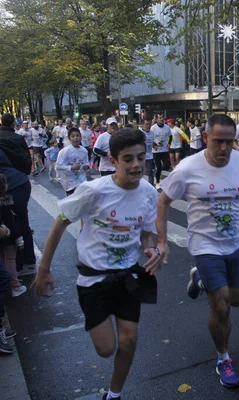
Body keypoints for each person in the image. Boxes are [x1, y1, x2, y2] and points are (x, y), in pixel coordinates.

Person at [32, 128, 162, 400]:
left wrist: (150, 249)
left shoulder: (149, 192)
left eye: (141, 157)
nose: (137, 164)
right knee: (106, 349)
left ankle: (114, 395)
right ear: (113, 161)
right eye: (128, 159)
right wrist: (44, 270)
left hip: (127, 277)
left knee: (129, 340)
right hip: (92, 280)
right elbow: (60, 221)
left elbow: (146, 235)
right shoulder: (93, 191)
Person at [156, 114, 239, 389]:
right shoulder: (187, 168)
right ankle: (224, 357)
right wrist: (161, 241)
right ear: (206, 138)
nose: (225, 148)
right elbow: (163, 200)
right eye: (218, 141)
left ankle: (200, 278)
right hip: (205, 245)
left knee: (236, 300)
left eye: (230, 142)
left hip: (235, 243)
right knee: (221, 305)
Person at [0, 113, 36, 274]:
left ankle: (16, 265)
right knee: (22, 221)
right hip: (21, 182)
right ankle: (28, 261)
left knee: (7, 223)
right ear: (13, 123)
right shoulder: (16, 137)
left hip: (9, 185)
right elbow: (26, 161)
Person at [0, 174, 25, 297]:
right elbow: (11, 222)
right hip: (8, 238)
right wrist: (18, 238)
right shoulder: (5, 203)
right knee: (10, 261)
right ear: (4, 187)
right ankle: (15, 286)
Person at [56, 127, 90, 197]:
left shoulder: (84, 151)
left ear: (80, 137)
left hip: (82, 181)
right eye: (73, 136)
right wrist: (71, 168)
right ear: (69, 138)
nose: (75, 138)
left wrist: (86, 166)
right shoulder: (64, 151)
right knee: (74, 205)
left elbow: (87, 163)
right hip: (69, 183)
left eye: (77, 136)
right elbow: (58, 167)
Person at [151, 114, 171, 190]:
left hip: (164, 149)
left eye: (162, 118)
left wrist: (169, 143)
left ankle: (158, 170)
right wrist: (154, 145)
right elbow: (150, 138)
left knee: (167, 165)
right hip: (156, 151)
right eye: (160, 118)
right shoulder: (153, 128)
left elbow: (170, 136)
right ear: (156, 119)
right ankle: (158, 182)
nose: (162, 119)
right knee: (159, 166)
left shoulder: (167, 127)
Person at [138, 116, 155, 186]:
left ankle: (151, 186)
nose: (148, 126)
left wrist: (155, 145)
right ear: (142, 124)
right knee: (139, 171)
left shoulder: (152, 132)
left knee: (150, 172)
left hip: (149, 155)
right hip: (140, 156)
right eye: (146, 124)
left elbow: (151, 142)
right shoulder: (138, 132)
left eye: (149, 124)